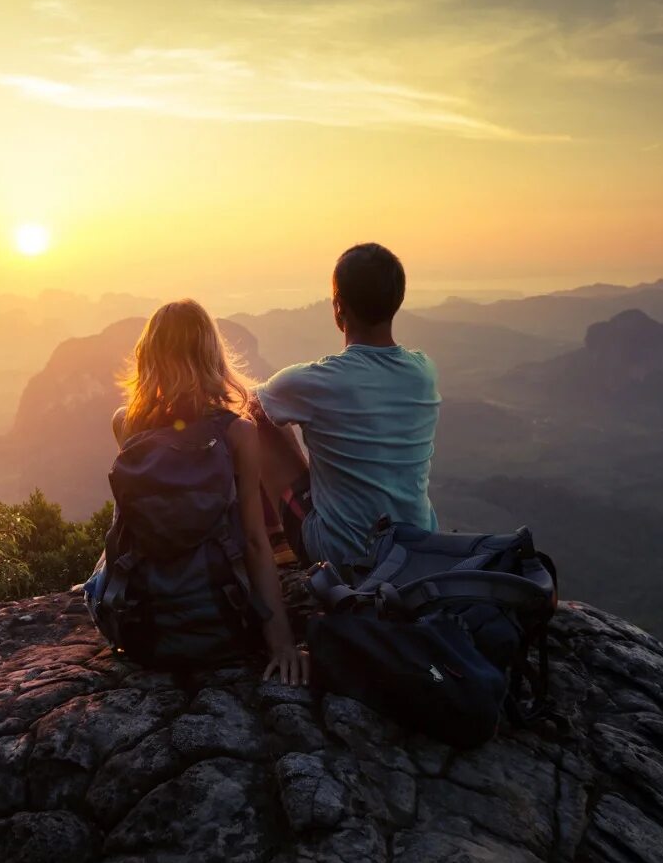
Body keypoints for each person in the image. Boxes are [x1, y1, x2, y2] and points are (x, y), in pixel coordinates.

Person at [102, 299, 308, 685]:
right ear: (211, 355)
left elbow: (133, 522)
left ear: (148, 357)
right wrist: (281, 642)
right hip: (221, 623)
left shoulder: (125, 424)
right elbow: (253, 540)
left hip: (142, 629)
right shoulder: (238, 432)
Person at [251, 243, 440, 570]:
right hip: (417, 547)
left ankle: (272, 541)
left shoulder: (313, 382)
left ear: (339, 307)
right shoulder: (423, 370)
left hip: (342, 555)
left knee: (258, 423)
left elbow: (249, 404)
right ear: (397, 302)